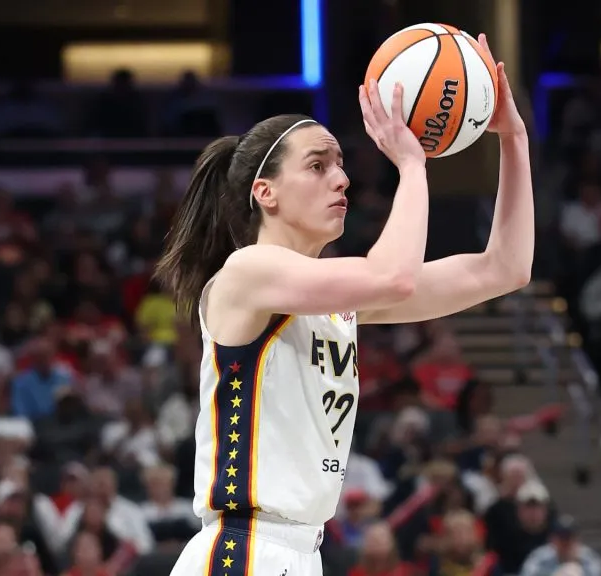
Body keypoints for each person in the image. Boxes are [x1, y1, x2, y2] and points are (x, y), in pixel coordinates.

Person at [156, 35, 534, 576]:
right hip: (244, 550)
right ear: (266, 192)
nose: (342, 177)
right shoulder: (247, 272)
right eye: (317, 165)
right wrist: (412, 163)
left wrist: (513, 138)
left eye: (340, 163)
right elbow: (395, 277)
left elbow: (505, 268)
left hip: (302, 551)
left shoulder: (337, 300)